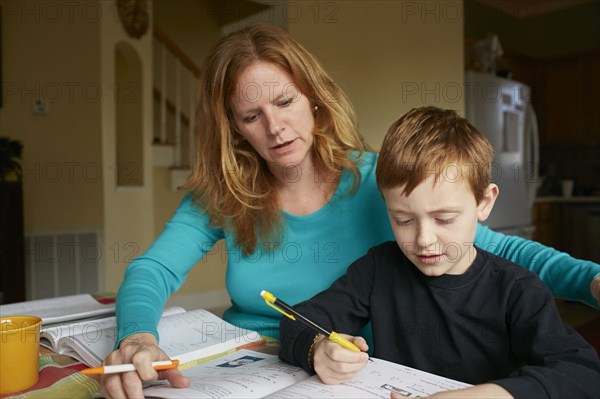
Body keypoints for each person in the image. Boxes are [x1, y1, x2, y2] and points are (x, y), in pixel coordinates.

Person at [101, 24, 600, 398]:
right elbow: (153, 269)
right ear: (234, 128)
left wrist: (592, 281)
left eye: (285, 101)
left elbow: (495, 251)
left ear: (313, 99)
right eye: (252, 116)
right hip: (246, 366)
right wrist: (138, 336)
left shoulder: (383, 182)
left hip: (344, 376)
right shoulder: (225, 192)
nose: (275, 127)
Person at [278, 107, 600, 399]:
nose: (424, 240)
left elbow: (582, 373)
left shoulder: (517, 289)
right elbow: (297, 321)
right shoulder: (378, 269)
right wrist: (317, 349)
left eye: (444, 219)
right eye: (403, 219)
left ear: (484, 203)